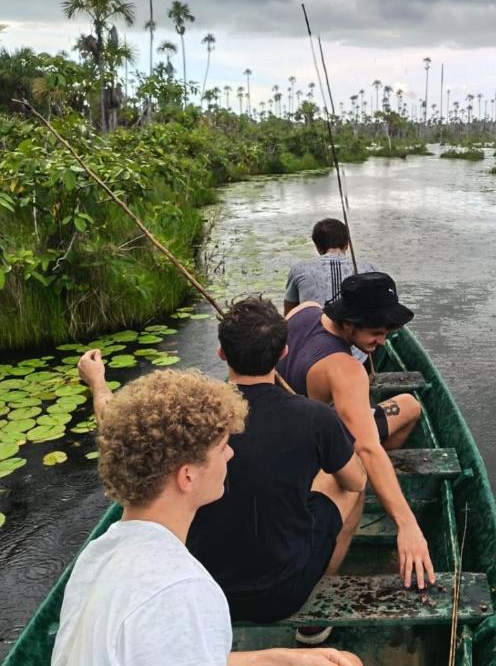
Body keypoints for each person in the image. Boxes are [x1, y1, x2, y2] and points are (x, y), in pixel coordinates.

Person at [53, 362, 361, 666]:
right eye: (222, 447)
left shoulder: (97, 556)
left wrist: (280, 658)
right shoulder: (184, 588)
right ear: (187, 477)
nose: (231, 453)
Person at [186, 297, 367, 643]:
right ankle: (313, 615)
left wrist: (100, 386)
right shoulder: (315, 417)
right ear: (284, 353)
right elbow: (356, 480)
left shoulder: (196, 417)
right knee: (348, 488)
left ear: (222, 353)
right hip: (282, 595)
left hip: (205, 590)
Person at [278, 271, 435, 591]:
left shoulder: (303, 310)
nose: (383, 341)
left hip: (288, 425)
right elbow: (365, 446)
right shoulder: (344, 369)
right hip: (310, 450)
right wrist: (408, 525)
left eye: (388, 332)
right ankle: (321, 590)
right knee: (356, 486)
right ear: (348, 323)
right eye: (376, 333)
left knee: (409, 405)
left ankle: (382, 481)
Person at [284, 218, 377, 316]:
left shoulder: (299, 269)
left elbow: (290, 314)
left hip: (315, 329)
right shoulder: (370, 268)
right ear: (347, 244)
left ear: (317, 246)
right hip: (359, 329)